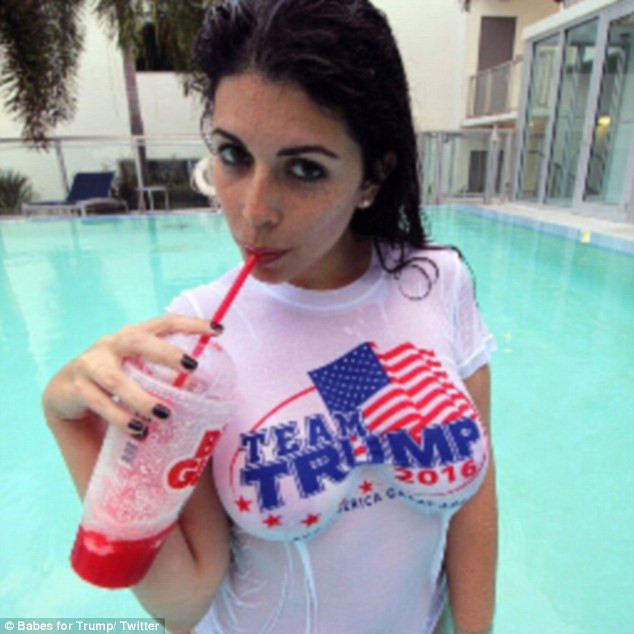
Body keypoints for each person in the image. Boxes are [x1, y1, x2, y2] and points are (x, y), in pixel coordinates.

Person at [42, 0, 498, 632]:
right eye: (233, 155)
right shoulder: (195, 335)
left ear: (373, 176)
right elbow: (184, 602)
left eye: (305, 169)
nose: (255, 211)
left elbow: (475, 497)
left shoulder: (438, 283)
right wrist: (72, 425)